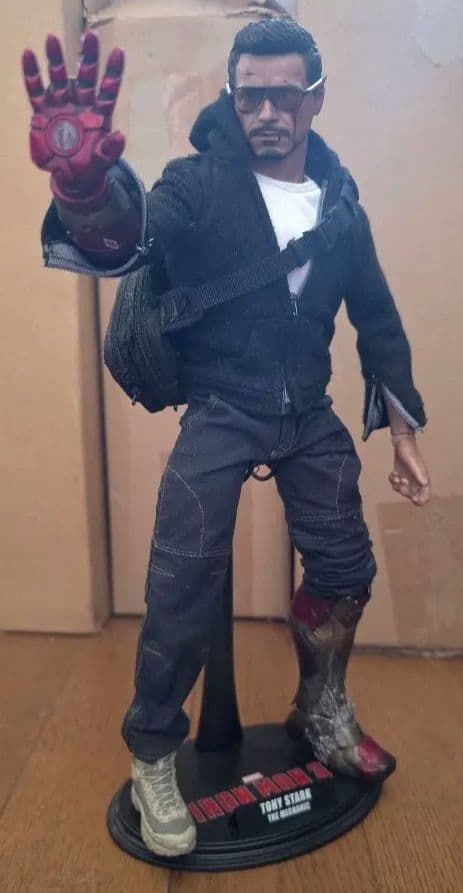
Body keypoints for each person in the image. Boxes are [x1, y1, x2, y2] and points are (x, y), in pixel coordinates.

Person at [22, 18, 431, 858]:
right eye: (251, 96)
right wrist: (85, 191)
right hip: (222, 406)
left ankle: (319, 706)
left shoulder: (339, 203)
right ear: (232, 98)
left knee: (345, 567)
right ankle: (153, 754)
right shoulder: (198, 182)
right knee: (181, 582)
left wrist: (401, 428)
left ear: (314, 98)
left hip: (307, 411)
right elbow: (133, 235)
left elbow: (377, 317)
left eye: (284, 94)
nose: (267, 112)